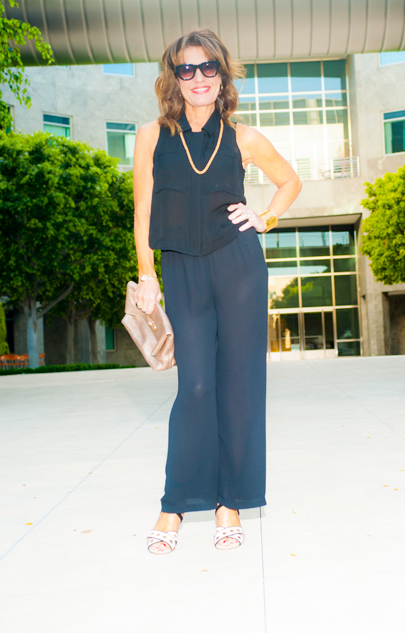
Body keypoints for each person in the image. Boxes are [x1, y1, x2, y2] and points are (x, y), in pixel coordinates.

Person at [133, 28, 302, 554]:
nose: (199, 77)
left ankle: (231, 502)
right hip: (181, 269)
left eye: (209, 68)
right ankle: (175, 503)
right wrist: (146, 274)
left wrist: (265, 217)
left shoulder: (243, 136)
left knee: (241, 387)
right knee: (197, 388)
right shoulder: (151, 135)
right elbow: (142, 212)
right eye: (187, 69)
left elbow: (290, 181)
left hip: (238, 267)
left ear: (222, 75)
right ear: (173, 77)